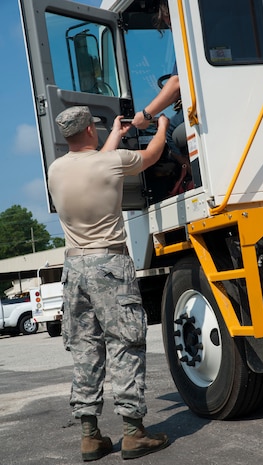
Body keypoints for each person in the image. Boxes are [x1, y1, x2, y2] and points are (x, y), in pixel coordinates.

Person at [48, 106, 170, 462]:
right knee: (124, 345)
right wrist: (161, 125)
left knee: (85, 351)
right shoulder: (112, 161)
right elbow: (152, 155)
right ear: (89, 131)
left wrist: (116, 133)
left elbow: (94, 164)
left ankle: (90, 436)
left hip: (73, 268)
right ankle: (133, 434)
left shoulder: (56, 170)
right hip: (110, 265)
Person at [132, 0, 188, 169]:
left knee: (170, 132)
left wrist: (146, 114)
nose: (171, 30)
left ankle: (191, 173)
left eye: (171, 24)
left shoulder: (189, 43)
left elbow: (176, 83)